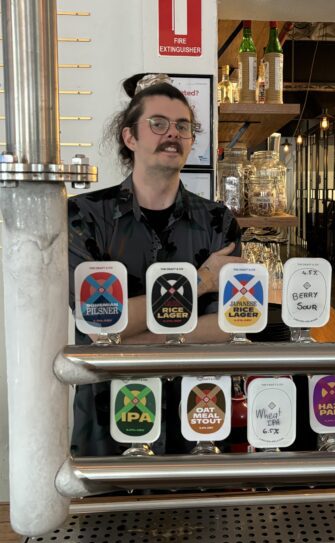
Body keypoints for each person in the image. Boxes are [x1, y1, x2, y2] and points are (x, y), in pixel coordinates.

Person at [68, 74, 244, 455]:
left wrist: (132, 337)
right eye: (159, 123)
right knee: (107, 514)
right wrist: (199, 282)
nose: (173, 135)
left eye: (183, 126)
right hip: (108, 415)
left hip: (196, 412)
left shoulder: (219, 222)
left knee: (194, 513)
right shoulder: (84, 217)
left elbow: (228, 325)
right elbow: (99, 326)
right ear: (130, 138)